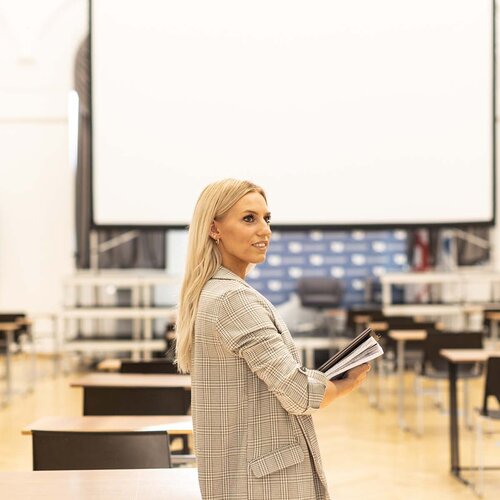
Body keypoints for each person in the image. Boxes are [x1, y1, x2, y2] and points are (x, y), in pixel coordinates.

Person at [176, 179, 370, 500]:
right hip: (264, 485)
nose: (264, 230)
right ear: (215, 229)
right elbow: (299, 394)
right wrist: (346, 382)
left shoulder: (213, 292)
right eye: (249, 219)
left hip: (243, 477)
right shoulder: (233, 299)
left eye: (267, 219)